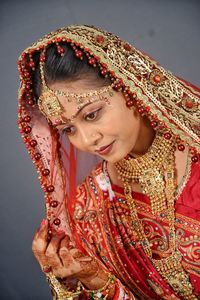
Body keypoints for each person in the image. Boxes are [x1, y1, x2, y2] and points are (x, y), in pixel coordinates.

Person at [17, 25, 200, 299]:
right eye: (68, 129)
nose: (87, 139)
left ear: (129, 86)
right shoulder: (89, 209)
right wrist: (95, 281)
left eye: (92, 114)